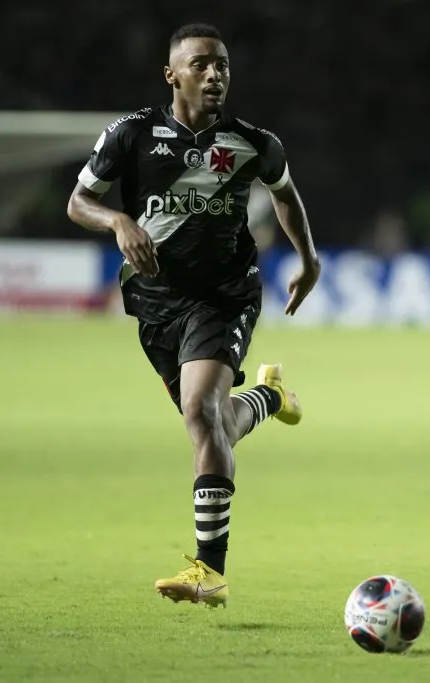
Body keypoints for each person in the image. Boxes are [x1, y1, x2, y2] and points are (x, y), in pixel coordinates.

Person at [66, 23, 321, 608]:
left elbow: (284, 193)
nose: (215, 75)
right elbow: (79, 202)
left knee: (202, 416)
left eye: (223, 65)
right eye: (202, 64)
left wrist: (309, 260)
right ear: (172, 74)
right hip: (156, 305)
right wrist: (118, 221)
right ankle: (270, 398)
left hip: (224, 294)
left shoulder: (252, 143)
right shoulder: (130, 136)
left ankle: (210, 571)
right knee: (218, 424)